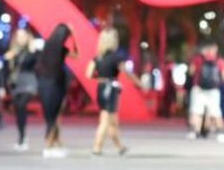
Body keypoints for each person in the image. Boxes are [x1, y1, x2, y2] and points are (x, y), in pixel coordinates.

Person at [86, 27, 143, 156]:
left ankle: (119, 147)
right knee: (105, 120)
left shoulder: (97, 58)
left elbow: (88, 74)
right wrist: (139, 83)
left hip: (101, 88)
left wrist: (100, 77)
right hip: (110, 89)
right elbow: (127, 73)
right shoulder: (116, 58)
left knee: (113, 121)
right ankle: (97, 147)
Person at [36, 23, 76, 157]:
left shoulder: (46, 47)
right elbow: (77, 55)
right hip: (57, 85)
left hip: (44, 84)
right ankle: (49, 145)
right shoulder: (62, 50)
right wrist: (74, 37)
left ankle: (55, 142)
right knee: (55, 116)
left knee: (50, 116)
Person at [187, 42, 224, 143]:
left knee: (196, 111)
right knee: (216, 111)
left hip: (198, 89)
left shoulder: (198, 59)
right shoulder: (219, 60)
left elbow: (191, 72)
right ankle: (220, 133)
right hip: (213, 90)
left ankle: (194, 132)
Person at [5, 27, 38, 151]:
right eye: (19, 36)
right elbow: (7, 69)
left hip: (28, 80)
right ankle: (22, 136)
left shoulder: (32, 50)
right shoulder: (13, 51)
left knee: (22, 104)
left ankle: (22, 137)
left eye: (23, 36)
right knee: (18, 109)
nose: (21, 38)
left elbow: (33, 63)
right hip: (16, 82)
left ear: (28, 37)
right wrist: (8, 58)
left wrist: (33, 51)